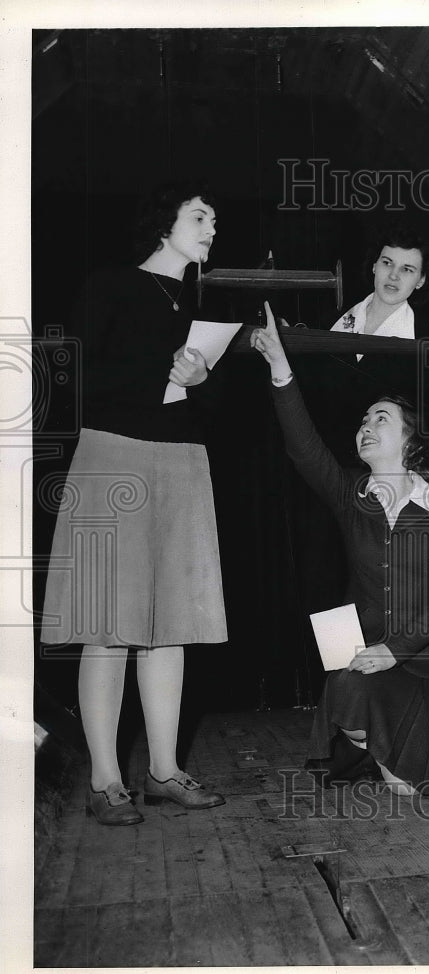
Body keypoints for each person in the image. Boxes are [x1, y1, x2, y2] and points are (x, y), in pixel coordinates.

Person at [40, 181, 228, 825]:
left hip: (182, 463)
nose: (210, 227)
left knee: (171, 625)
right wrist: (162, 375)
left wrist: (202, 381)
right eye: (199, 216)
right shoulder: (111, 285)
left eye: (213, 219)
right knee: (108, 627)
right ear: (163, 223)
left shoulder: (203, 303)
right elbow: (76, 377)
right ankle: (103, 781)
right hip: (113, 456)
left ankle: (165, 772)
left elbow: (229, 411)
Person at [251, 302, 429, 796]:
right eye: (363, 421)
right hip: (365, 651)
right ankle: (374, 749)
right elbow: (304, 446)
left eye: (381, 419)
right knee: (345, 690)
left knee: (422, 790)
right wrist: (280, 367)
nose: (366, 426)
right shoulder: (351, 495)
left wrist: (395, 651)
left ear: (410, 441)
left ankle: (416, 749)